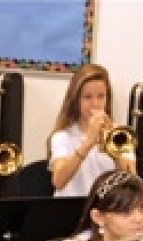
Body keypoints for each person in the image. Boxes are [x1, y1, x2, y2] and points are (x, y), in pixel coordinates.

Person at [47, 64, 136, 198]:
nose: (95, 104)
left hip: (106, 210)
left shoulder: (119, 135)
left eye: (101, 96)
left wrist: (114, 151)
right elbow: (58, 182)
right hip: (71, 209)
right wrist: (88, 143)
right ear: (76, 100)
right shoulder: (63, 137)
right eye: (87, 97)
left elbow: (132, 184)